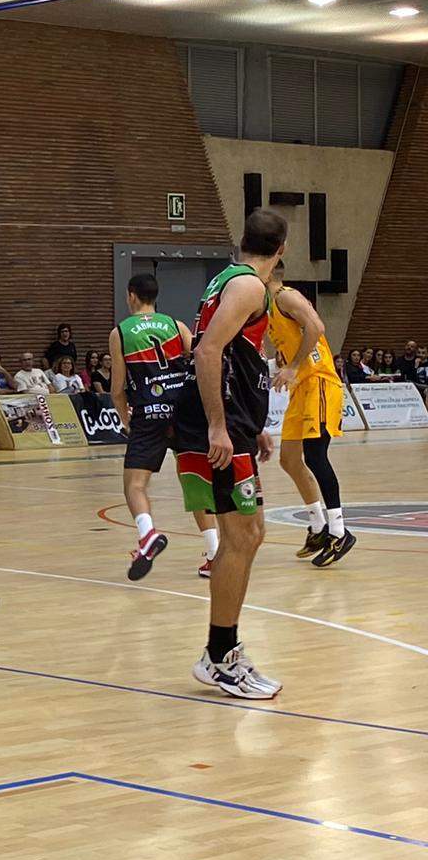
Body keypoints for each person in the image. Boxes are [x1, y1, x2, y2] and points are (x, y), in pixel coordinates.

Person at [171, 208, 286, 699]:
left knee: (247, 534)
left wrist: (248, 426)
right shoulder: (249, 287)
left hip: (229, 424)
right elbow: (206, 351)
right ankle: (220, 656)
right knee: (243, 535)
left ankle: (222, 651)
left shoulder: (227, 279)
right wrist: (219, 425)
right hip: (214, 426)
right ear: (282, 249)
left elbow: (235, 359)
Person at [109, 272, 218, 582]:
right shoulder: (176, 325)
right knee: (194, 484)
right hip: (183, 411)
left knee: (135, 485)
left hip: (149, 411)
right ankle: (215, 554)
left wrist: (127, 421)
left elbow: (117, 389)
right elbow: (199, 362)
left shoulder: (120, 333)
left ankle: (147, 536)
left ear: (131, 295)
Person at [265, 266, 355, 568]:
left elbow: (316, 327)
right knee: (289, 460)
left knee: (316, 457)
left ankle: (339, 532)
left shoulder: (285, 296)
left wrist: (293, 366)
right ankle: (318, 528)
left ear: (268, 271)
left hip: (319, 382)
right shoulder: (268, 307)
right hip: (301, 388)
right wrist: (284, 364)